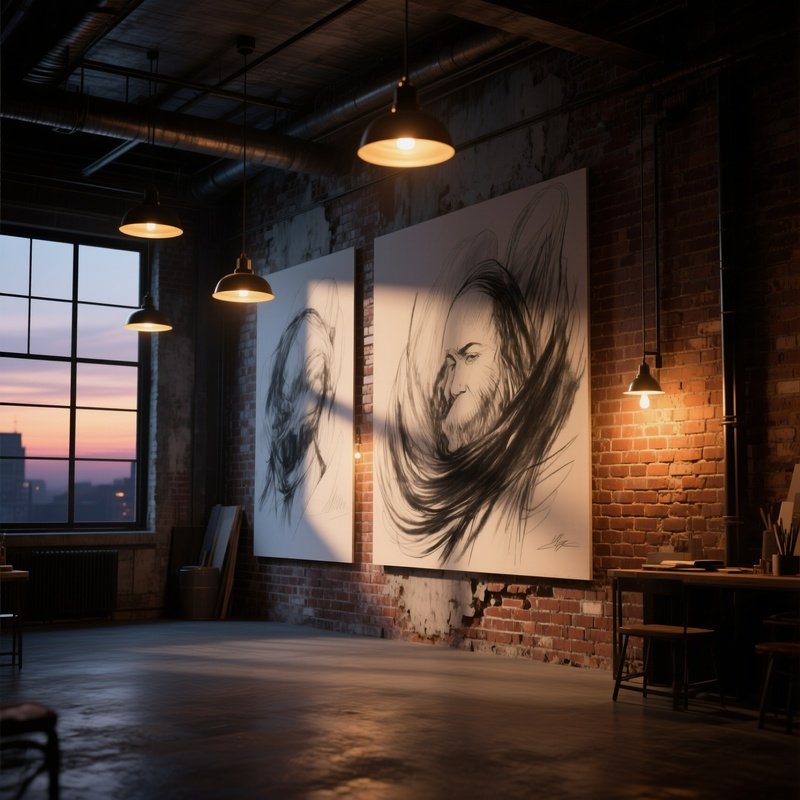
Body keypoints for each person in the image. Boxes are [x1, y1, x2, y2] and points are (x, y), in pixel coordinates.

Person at [378, 185, 582, 564]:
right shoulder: (452, 490)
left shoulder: (543, 487)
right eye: (450, 361)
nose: (450, 386)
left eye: (470, 357)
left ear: (511, 364)